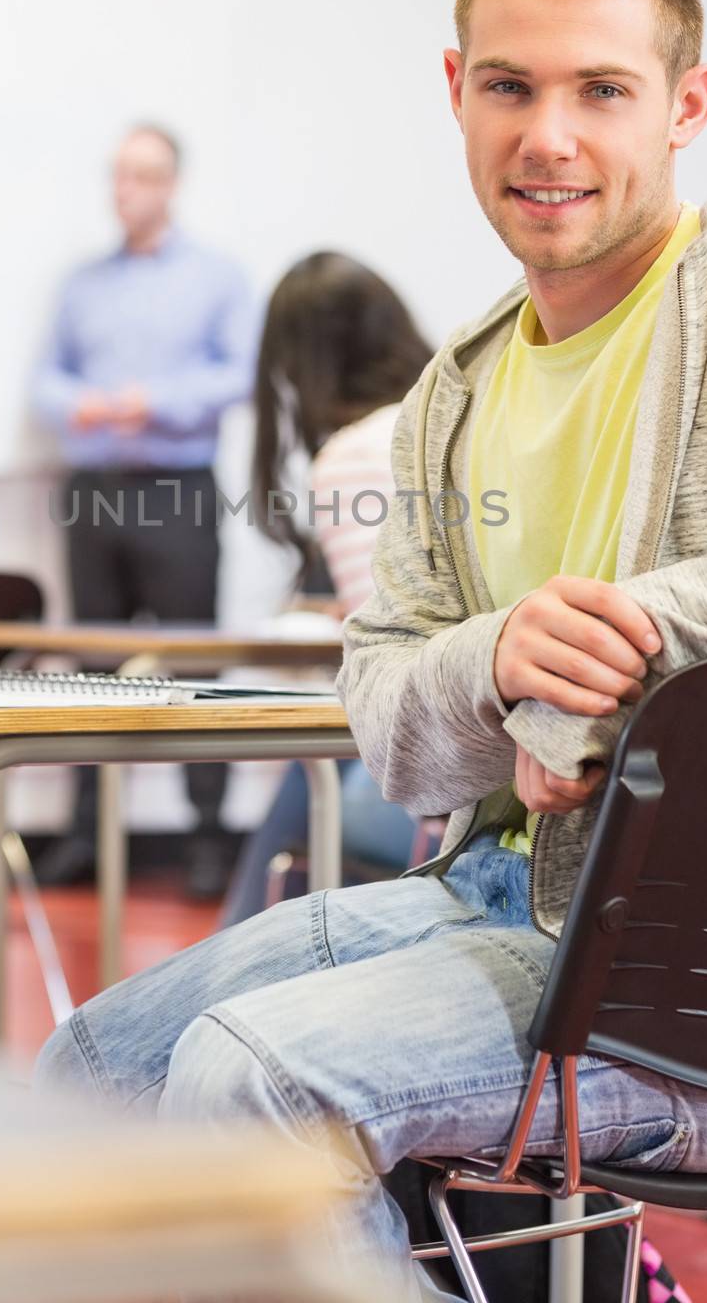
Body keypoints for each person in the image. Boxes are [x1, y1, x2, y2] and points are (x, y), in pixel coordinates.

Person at [35, 0, 707, 1300]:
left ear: (687, 105)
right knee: (83, 1072)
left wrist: (628, 648)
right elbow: (387, 720)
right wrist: (500, 657)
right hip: (494, 898)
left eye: (601, 90)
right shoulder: (451, 391)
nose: (546, 136)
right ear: (455, 90)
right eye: (508, 85)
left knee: (250, 1082)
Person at [32, 125, 258, 898]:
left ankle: (205, 844)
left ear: (171, 184)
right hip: (94, 489)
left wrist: (148, 404)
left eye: (144, 176)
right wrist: (88, 408)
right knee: (92, 668)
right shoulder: (81, 284)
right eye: (119, 175)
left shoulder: (217, 276)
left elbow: (239, 374)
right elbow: (45, 382)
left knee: (196, 663)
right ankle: (86, 839)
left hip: (177, 487)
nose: (127, 189)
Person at [219, 252, 431, 926]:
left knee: (309, 772)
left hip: (436, 780)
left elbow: (389, 648)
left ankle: (224, 977)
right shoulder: (458, 419)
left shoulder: (352, 456)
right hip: (537, 755)